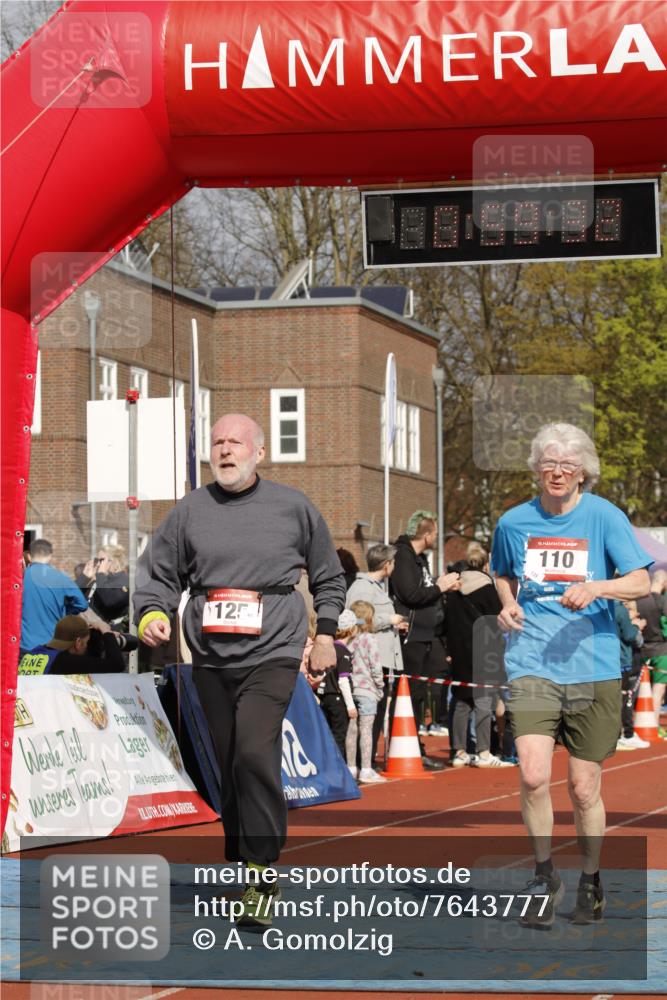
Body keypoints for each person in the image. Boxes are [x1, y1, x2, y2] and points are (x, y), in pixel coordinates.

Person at [134, 412, 345, 926]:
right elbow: (159, 573)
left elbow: (327, 576)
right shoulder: (189, 511)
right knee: (229, 761)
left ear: (259, 452)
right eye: (218, 442)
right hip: (208, 656)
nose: (225, 450)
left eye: (236, 442)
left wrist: (325, 635)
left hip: (273, 649)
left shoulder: (293, 507)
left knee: (254, 750)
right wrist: (154, 613)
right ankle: (245, 861)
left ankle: (261, 869)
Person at [491, 422, 651, 928]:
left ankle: (590, 878)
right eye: (549, 463)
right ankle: (544, 874)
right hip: (532, 661)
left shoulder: (604, 516)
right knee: (534, 774)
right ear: (537, 468)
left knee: (584, 788)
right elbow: (501, 571)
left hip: (593, 665)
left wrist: (597, 588)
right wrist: (508, 603)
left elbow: (641, 580)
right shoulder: (514, 522)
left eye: (568, 464)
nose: (557, 472)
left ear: (584, 471)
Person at [390, 510, 460, 770]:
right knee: (410, 693)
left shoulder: (420, 559)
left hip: (427, 634)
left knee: (423, 691)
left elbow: (425, 592)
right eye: (436, 533)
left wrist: (440, 589)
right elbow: (411, 594)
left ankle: (415, 747)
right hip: (411, 636)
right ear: (427, 534)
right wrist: (439, 587)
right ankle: (406, 749)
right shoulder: (403, 556)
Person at [444, 542, 513, 768]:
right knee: (483, 699)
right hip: (484, 649)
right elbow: (497, 620)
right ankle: (484, 752)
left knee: (462, 699)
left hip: (459, 650)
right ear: (485, 565)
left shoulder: (454, 590)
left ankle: (459, 751)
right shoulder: (487, 588)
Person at [346, 542, 406, 764]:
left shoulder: (377, 587)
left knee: (378, 713)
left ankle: (367, 760)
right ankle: (363, 762)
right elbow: (354, 620)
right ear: (386, 564)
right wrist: (387, 620)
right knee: (369, 715)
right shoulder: (362, 588)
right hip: (368, 660)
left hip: (380, 657)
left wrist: (394, 625)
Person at [20, 539, 89, 656]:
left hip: (25, 646)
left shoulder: (19, 579)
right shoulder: (61, 578)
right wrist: (65, 610)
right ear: (50, 556)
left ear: (29, 556)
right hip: (53, 645)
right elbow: (82, 604)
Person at [345, 601, 386, 784]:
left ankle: (351, 766)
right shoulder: (370, 639)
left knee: (352, 730)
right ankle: (366, 769)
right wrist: (380, 686)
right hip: (368, 690)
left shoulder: (349, 640)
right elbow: (375, 666)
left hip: (351, 689)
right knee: (366, 730)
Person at [18, 615, 126, 675]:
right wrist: (106, 631)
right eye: (86, 642)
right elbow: (116, 664)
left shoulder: (32, 654)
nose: (87, 646)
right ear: (78, 642)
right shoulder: (63, 661)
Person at [317, 609, 357, 759]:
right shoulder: (343, 652)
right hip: (338, 698)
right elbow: (343, 680)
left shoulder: (327, 649)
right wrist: (351, 705)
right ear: (351, 629)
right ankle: (338, 770)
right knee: (339, 736)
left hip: (324, 697)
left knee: (326, 735)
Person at [636, 569, 667, 736]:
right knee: (658, 689)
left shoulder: (639, 601)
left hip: (641, 648)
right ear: (663, 583)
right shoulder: (663, 601)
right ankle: (653, 726)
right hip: (661, 650)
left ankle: (635, 724)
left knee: (639, 688)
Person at [615, 599, 649, 750]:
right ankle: (625, 735)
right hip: (623, 662)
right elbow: (631, 637)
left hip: (611, 661)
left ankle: (619, 735)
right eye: (634, 609)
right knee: (623, 700)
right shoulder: (619, 610)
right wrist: (636, 626)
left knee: (616, 700)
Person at [76, 545, 130, 627]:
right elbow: (70, 597)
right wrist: (84, 577)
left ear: (114, 561)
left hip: (109, 634)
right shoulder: (99, 580)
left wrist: (101, 574)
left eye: (101, 560)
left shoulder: (125, 581)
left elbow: (109, 600)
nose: (98, 564)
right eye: (97, 560)